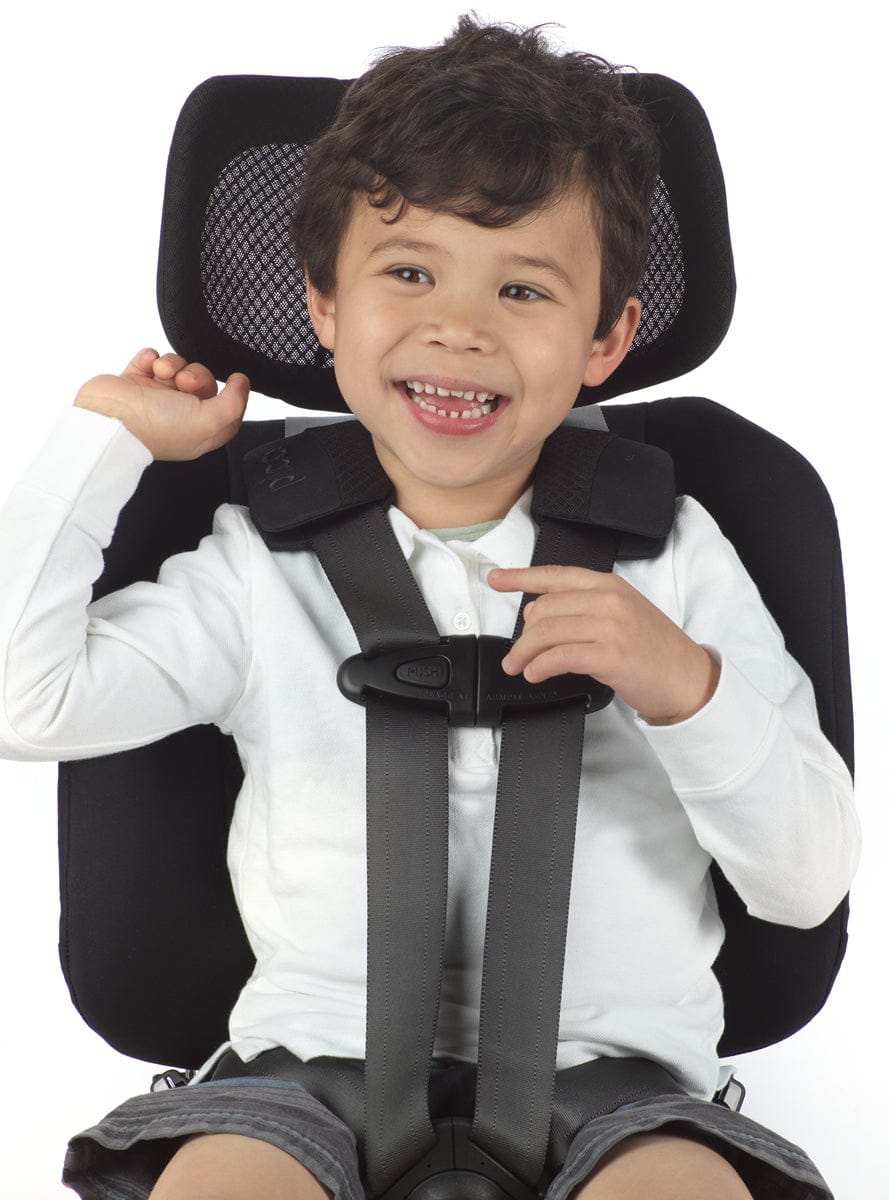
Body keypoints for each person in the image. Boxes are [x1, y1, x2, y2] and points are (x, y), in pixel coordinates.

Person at [0, 16, 859, 1200]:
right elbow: (25, 702)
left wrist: (685, 687)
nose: (459, 327)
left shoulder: (676, 555)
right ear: (320, 301)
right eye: (408, 273)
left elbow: (808, 884)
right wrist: (104, 443)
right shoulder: (256, 565)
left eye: (523, 287)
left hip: (620, 1086)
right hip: (301, 1080)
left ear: (607, 335)